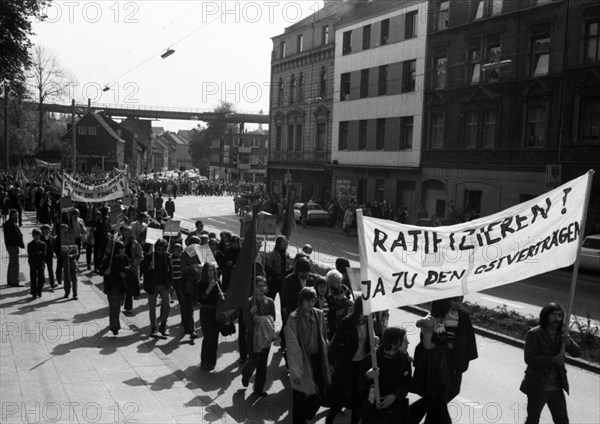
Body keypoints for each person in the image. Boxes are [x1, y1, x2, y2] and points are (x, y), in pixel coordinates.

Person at [520, 303, 581, 424]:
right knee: (532, 420)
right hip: (538, 386)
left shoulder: (562, 334)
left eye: (559, 315)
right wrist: (552, 359)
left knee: (562, 420)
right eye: (553, 314)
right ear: (545, 316)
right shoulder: (534, 333)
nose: (557, 318)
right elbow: (530, 359)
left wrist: (569, 343)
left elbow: (577, 353)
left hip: (556, 388)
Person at [284, 287, 331, 424]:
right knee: (299, 394)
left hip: (317, 358)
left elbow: (323, 336)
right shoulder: (293, 318)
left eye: (313, 300)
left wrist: (328, 355)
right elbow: (293, 347)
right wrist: (296, 372)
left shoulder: (319, 314)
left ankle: (307, 415)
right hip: (300, 359)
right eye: (308, 301)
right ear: (301, 301)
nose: (311, 304)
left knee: (320, 390)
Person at [326, 298, 372, 424]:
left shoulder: (369, 321)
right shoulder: (346, 321)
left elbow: (369, 342)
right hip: (346, 363)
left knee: (357, 397)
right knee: (340, 396)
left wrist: (375, 341)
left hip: (361, 364)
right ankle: (329, 420)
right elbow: (336, 342)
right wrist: (330, 362)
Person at [409, 298, 454, 424]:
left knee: (437, 398)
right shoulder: (429, 321)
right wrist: (443, 342)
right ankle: (406, 418)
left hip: (438, 362)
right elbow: (427, 345)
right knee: (432, 397)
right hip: (430, 363)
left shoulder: (437, 319)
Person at [359, 326, 412, 423]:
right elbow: (360, 386)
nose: (408, 343)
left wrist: (395, 395)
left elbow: (407, 382)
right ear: (393, 343)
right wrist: (367, 376)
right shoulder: (371, 359)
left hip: (394, 413)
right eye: (404, 340)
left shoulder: (404, 359)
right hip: (373, 413)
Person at [241, 276, 276, 397]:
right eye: (259, 286)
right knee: (253, 360)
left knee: (262, 363)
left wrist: (261, 320)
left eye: (263, 285)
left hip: (265, 336)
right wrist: (251, 313)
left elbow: (273, 319)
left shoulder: (270, 302)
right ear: (254, 288)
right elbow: (244, 320)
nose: (261, 288)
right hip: (253, 336)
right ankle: (246, 374)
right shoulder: (250, 302)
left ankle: (258, 389)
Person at [141, 238, 173, 337]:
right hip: (152, 286)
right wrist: (150, 266)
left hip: (164, 285)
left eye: (163, 249)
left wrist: (171, 284)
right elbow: (142, 270)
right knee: (152, 308)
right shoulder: (150, 257)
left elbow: (170, 271)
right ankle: (153, 329)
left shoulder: (167, 257)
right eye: (159, 249)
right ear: (155, 248)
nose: (161, 251)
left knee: (167, 306)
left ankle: (162, 327)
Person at [199, 262, 224, 371]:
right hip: (205, 312)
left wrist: (222, 297)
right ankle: (204, 360)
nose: (211, 272)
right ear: (205, 272)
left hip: (216, 312)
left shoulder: (218, 283)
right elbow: (200, 300)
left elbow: (221, 298)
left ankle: (212, 361)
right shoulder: (201, 283)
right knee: (208, 337)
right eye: (209, 270)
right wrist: (208, 289)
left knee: (214, 338)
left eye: (213, 270)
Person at [101, 240, 129, 336]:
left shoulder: (125, 258)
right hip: (112, 286)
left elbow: (129, 269)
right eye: (122, 248)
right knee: (114, 306)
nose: (124, 249)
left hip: (122, 286)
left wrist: (125, 273)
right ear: (117, 249)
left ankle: (114, 323)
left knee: (118, 306)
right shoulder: (108, 260)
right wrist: (106, 272)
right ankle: (114, 326)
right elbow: (101, 271)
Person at [3, 209, 24, 287]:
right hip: (12, 246)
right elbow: (10, 237)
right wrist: (16, 244)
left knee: (12, 262)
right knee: (15, 264)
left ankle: (10, 280)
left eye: (17, 215)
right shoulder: (9, 224)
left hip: (11, 245)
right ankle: (15, 281)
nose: (16, 217)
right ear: (11, 215)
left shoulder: (11, 223)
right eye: (15, 215)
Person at [27, 228, 47, 299]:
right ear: (33, 236)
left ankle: (39, 290)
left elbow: (44, 254)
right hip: (32, 262)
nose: (37, 237)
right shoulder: (30, 244)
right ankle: (34, 292)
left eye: (38, 235)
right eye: (35, 235)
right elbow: (30, 254)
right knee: (33, 277)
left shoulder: (43, 244)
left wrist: (37, 253)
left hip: (40, 262)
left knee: (41, 277)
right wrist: (38, 253)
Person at [40, 224, 56, 289]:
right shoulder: (40, 237)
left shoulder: (52, 238)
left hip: (49, 255)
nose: (46, 231)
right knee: (42, 269)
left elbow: (53, 246)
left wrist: (54, 253)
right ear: (42, 230)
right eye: (45, 230)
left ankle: (52, 283)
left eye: (48, 229)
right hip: (42, 256)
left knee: (50, 270)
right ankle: (42, 282)